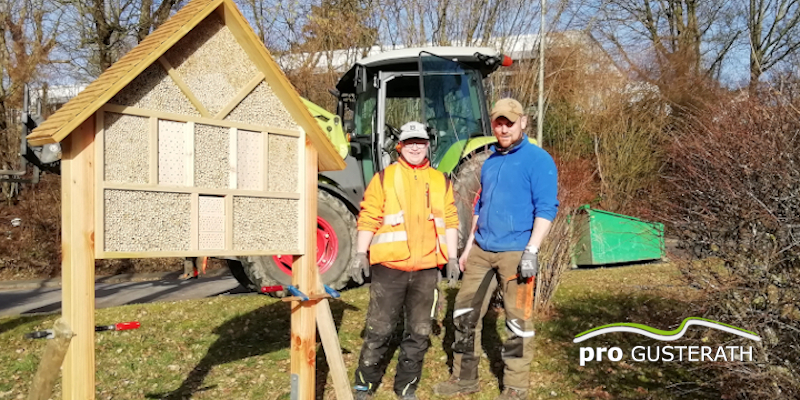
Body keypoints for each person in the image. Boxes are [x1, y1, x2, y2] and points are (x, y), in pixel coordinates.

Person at [432, 98, 559, 399]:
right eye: (498, 122)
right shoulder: (489, 161)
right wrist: (468, 247)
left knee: (517, 322)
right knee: (464, 313)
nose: (503, 128)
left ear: (523, 122)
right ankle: (464, 378)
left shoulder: (539, 160)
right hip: (481, 252)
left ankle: (515, 387)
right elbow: (481, 205)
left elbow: (547, 208)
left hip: (517, 254)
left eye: (509, 122)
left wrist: (532, 250)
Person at [350, 121, 461, 400]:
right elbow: (369, 216)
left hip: (426, 271)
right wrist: (361, 253)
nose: (415, 147)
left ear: (427, 145)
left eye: (420, 142)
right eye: (409, 142)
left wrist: (453, 258)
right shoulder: (384, 178)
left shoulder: (440, 181)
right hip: (389, 270)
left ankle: (407, 387)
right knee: (379, 329)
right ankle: (364, 385)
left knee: (419, 332)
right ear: (400, 145)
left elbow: (450, 220)